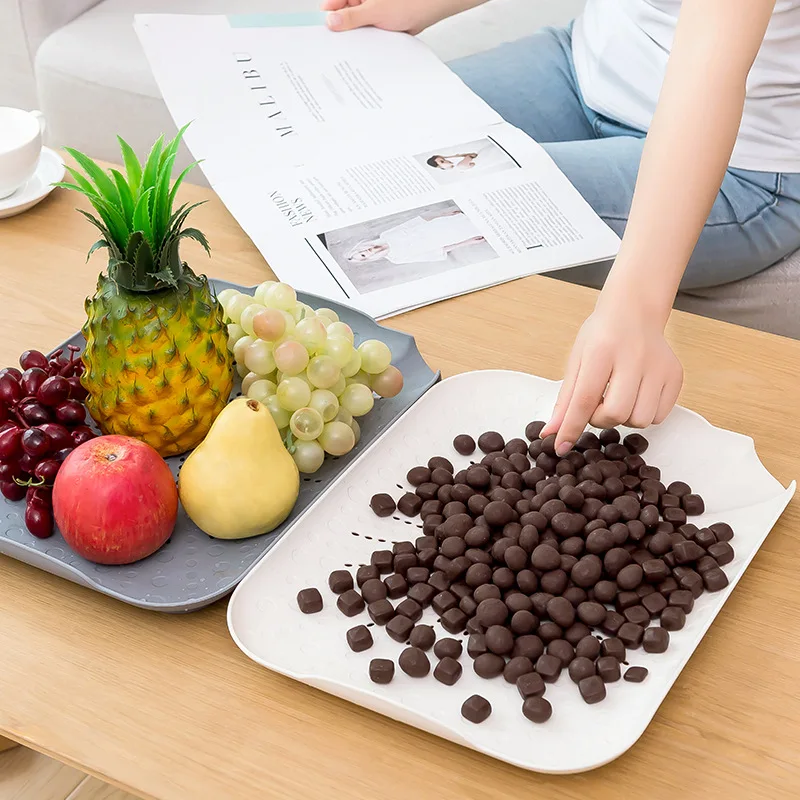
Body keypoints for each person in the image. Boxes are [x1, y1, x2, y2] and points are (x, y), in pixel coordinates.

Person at [322, 0, 800, 454]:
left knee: (403, 202)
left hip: (746, 161)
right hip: (584, 66)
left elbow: (707, 72)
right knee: (349, 142)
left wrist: (635, 308)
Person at [344, 207, 485, 265]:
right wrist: (468, 242)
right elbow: (435, 252)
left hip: (440, 224)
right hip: (449, 236)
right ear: (367, 259)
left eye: (360, 251)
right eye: (362, 256)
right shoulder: (396, 258)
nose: (364, 252)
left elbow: (414, 223)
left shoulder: (385, 235)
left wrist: (443, 214)